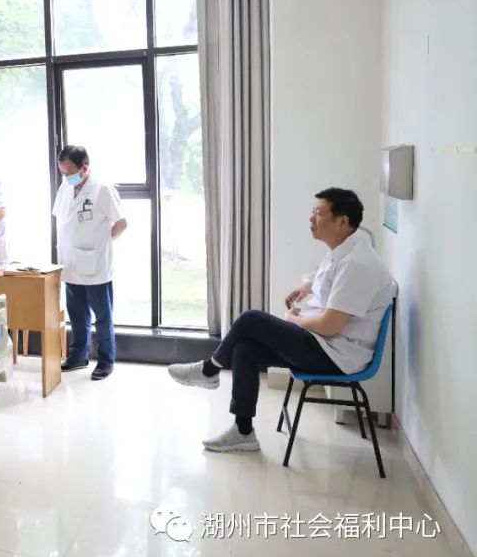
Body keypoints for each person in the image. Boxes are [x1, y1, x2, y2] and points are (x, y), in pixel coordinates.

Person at [168, 188, 396, 453]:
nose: (311, 218)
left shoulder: (357, 263)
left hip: (336, 355)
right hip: (328, 344)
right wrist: (307, 287)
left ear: (342, 221)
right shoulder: (346, 248)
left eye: (319, 213)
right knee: (246, 349)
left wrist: (293, 320)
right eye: (313, 212)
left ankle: (210, 370)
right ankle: (243, 432)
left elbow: (328, 326)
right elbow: (332, 280)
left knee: (251, 319)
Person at [53, 146, 128, 381]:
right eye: (63, 172)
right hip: (70, 262)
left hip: (95, 263)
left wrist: (104, 241)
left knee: (102, 316)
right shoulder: (64, 188)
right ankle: (78, 356)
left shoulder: (102, 189)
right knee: (76, 314)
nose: (66, 176)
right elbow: (62, 220)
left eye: (70, 172)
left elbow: (121, 223)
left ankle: (106, 360)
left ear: (84, 168)